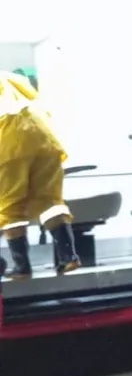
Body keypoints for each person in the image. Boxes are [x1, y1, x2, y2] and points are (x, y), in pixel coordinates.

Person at [0, 71, 80, 280]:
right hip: (43, 133)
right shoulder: (10, 78)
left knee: (9, 205)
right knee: (50, 200)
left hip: (8, 137)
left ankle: (22, 267)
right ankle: (68, 257)